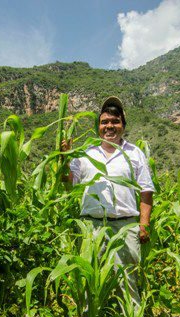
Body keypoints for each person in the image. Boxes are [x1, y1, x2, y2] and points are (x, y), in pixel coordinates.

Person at [61, 96, 155, 305]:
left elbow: (147, 191)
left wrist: (144, 226)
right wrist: (64, 156)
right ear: (98, 126)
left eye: (115, 121)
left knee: (127, 282)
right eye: (104, 122)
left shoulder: (135, 153)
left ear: (123, 125)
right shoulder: (86, 153)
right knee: (89, 280)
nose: (109, 126)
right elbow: (68, 181)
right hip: (91, 228)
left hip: (125, 227)